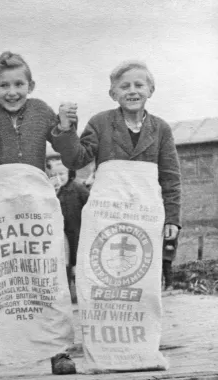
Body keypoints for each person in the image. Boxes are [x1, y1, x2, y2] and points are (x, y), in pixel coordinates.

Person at [52, 60, 181, 372]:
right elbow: (77, 157)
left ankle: (142, 352)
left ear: (151, 90)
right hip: (107, 216)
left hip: (146, 218)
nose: (132, 91)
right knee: (103, 281)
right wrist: (66, 129)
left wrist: (173, 219)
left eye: (139, 85)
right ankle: (107, 353)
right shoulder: (100, 123)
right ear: (113, 93)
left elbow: (171, 178)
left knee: (143, 286)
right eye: (125, 86)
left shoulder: (161, 129)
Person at [0, 51, 78, 375]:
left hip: (37, 199)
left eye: (18, 84)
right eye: (3, 85)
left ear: (31, 84)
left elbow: (67, 152)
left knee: (46, 271)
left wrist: (67, 126)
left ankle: (58, 350)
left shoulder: (42, 111)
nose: (11, 91)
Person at [47, 159, 89, 303]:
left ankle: (82, 296)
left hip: (77, 232)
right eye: (55, 174)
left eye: (62, 173)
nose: (59, 177)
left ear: (69, 173)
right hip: (61, 234)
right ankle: (68, 297)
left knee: (78, 265)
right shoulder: (52, 192)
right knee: (64, 265)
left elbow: (90, 205)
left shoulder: (78, 188)